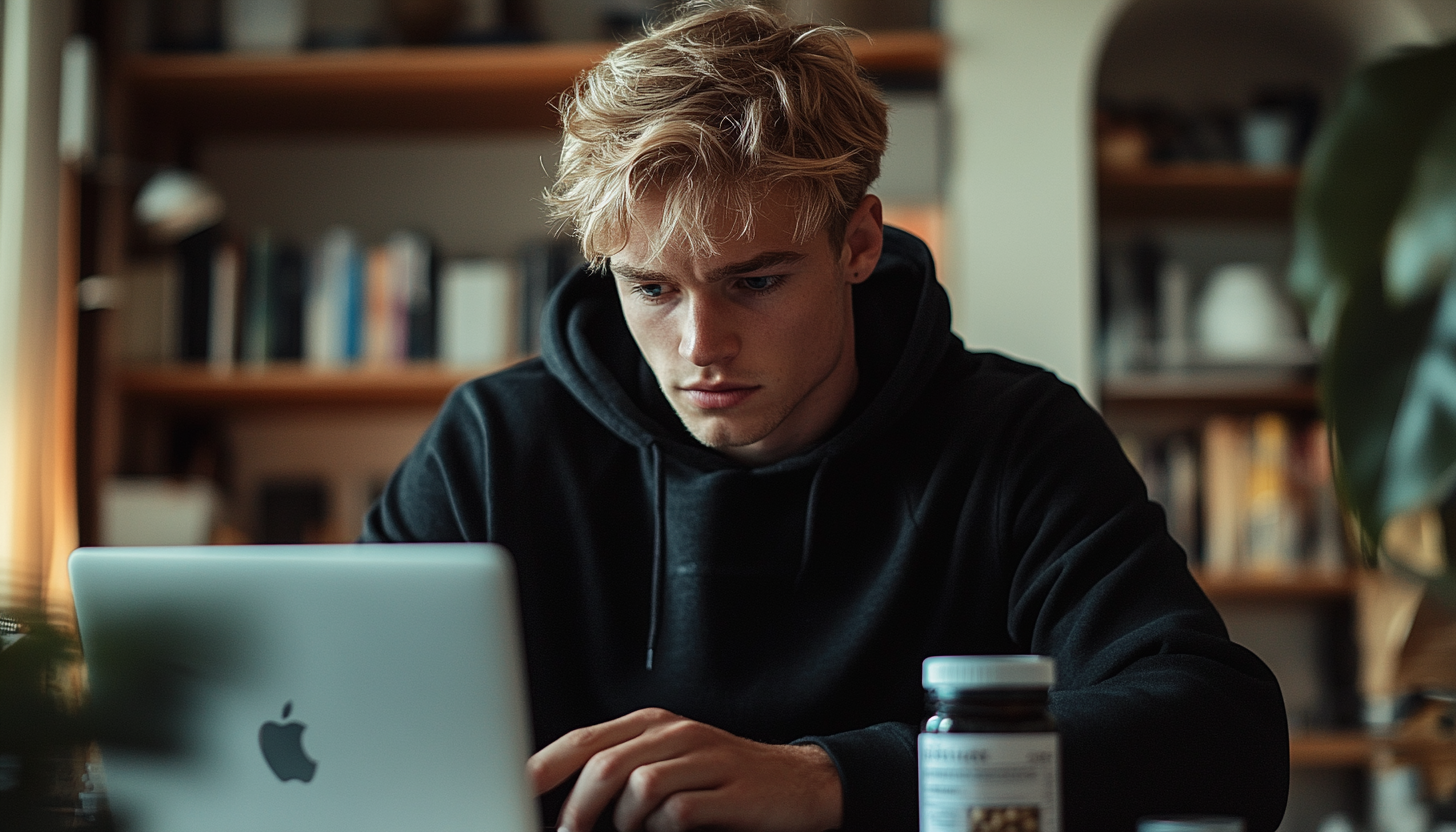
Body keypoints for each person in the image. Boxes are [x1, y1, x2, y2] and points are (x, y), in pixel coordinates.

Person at [362, 5, 1290, 831]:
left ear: (857, 243)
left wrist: (831, 780)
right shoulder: (493, 445)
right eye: (652, 289)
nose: (700, 344)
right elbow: (336, 716)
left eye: (754, 282)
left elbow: (1223, 732)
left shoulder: (1014, 438)